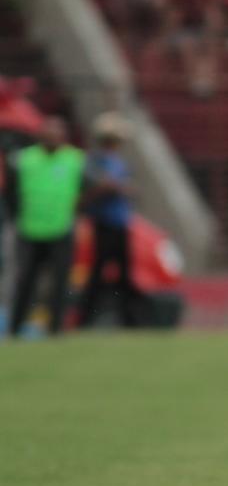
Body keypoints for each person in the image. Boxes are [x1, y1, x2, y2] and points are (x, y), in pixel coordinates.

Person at [6, 116, 87, 336]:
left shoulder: (75, 159)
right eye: (49, 133)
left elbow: (87, 190)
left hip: (61, 229)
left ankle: (55, 330)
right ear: (41, 135)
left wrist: (78, 213)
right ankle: (15, 329)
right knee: (25, 282)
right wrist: (16, 219)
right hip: (29, 230)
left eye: (58, 133)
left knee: (60, 283)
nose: (54, 138)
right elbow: (11, 193)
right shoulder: (24, 159)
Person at [79, 111, 142, 327]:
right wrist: (109, 188)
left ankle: (129, 321)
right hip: (103, 222)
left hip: (120, 223)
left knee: (124, 274)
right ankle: (85, 320)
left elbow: (128, 188)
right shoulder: (94, 161)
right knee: (97, 273)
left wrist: (123, 189)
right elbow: (91, 191)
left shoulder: (120, 163)